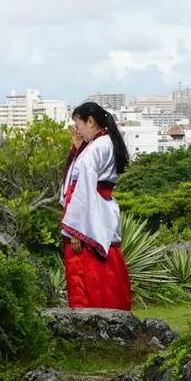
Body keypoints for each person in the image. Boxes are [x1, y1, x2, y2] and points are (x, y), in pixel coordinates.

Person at [59, 101, 133, 310]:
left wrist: (76, 230)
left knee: (87, 273)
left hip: (90, 216)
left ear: (90, 122)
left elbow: (83, 188)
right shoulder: (103, 143)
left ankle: (91, 318)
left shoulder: (97, 147)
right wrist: (78, 148)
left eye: (79, 125)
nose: (78, 131)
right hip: (102, 210)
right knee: (108, 270)